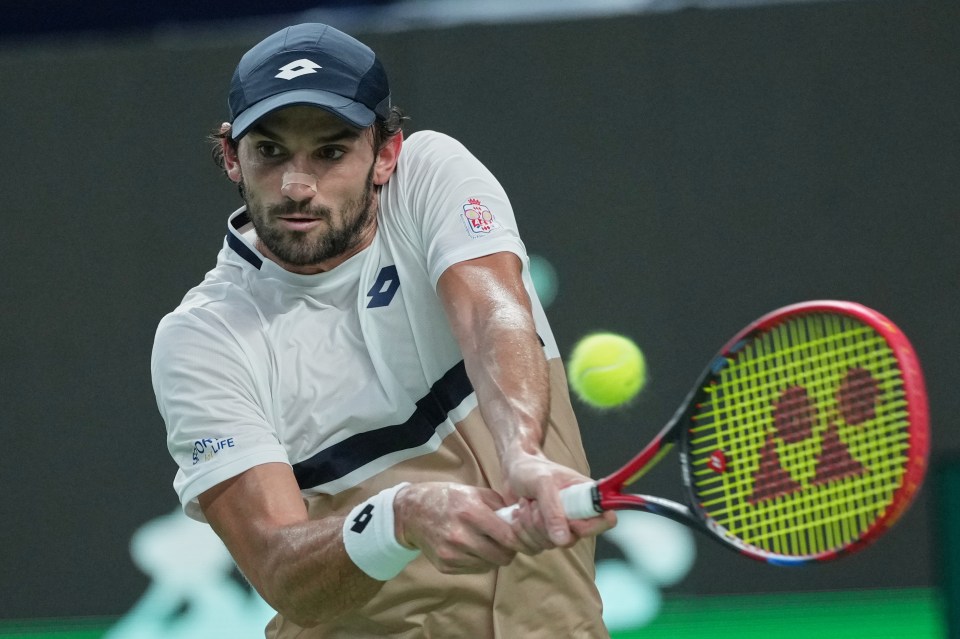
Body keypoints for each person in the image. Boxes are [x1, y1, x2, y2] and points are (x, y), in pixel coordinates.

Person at [151, 22, 615, 638]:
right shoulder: (202, 338)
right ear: (232, 156)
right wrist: (398, 518)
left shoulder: (430, 175)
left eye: (331, 151)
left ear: (386, 153)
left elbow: (491, 312)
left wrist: (521, 452)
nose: (297, 185)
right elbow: (281, 569)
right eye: (270, 151)